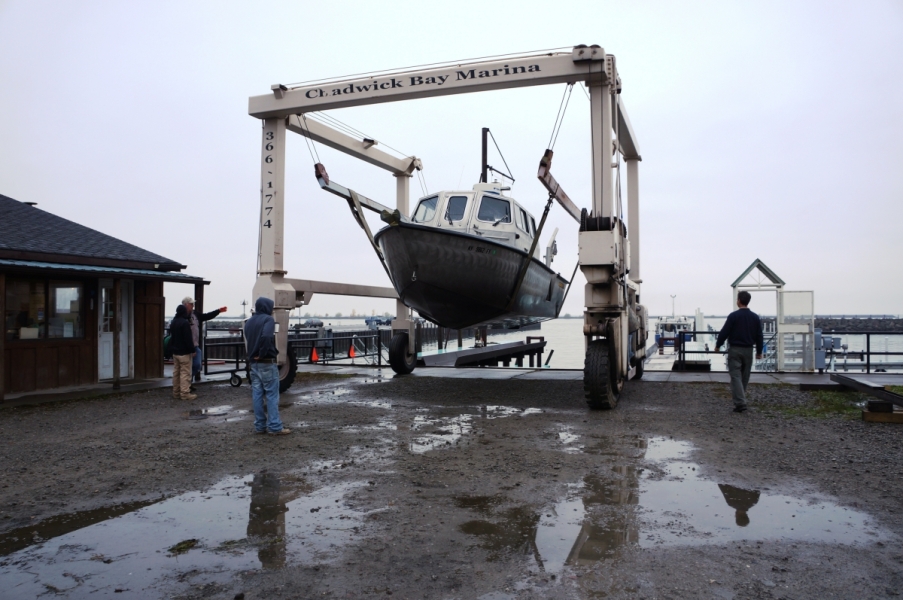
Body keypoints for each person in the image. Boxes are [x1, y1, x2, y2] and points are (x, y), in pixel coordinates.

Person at [244, 297, 291, 435]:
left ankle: (260, 426)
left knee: (257, 394)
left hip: (254, 364)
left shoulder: (249, 321)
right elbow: (266, 337)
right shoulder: (268, 320)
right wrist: (263, 353)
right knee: (271, 395)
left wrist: (255, 354)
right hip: (266, 362)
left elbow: (248, 338)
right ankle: (275, 427)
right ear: (267, 307)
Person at [714, 291, 763, 413]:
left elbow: (724, 331)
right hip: (748, 350)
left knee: (735, 376)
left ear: (739, 300)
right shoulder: (755, 317)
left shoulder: (733, 316)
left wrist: (718, 345)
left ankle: (740, 402)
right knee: (744, 377)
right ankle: (739, 401)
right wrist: (759, 351)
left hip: (735, 349)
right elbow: (759, 336)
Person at [182, 297, 227, 389]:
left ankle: (187, 382)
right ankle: (185, 385)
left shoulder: (196, 314)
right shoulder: (181, 316)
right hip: (185, 347)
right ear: (186, 305)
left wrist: (218, 311)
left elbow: (206, 316)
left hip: (195, 346)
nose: (193, 305)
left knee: (197, 365)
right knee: (185, 367)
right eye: (191, 304)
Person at [169, 304, 197, 401]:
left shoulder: (173, 322)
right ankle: (185, 393)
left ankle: (176, 392)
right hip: (184, 352)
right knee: (185, 373)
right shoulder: (184, 323)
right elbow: (188, 339)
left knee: (176, 373)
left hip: (175, 352)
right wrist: (192, 350)